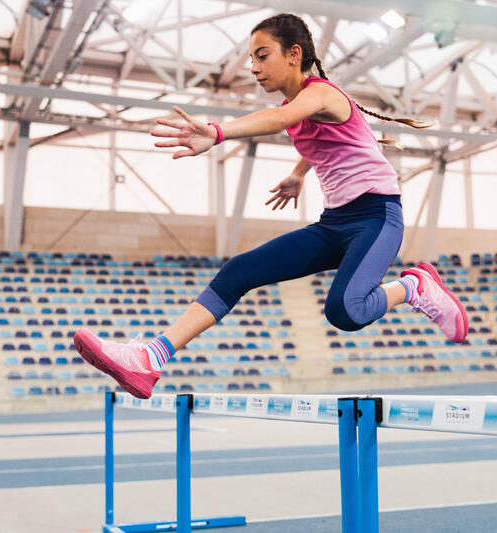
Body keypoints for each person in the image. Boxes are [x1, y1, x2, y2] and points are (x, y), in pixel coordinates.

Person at [75, 13, 469, 399]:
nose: (254, 68)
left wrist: (217, 131)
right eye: (251, 59)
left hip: (377, 218)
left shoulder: (321, 93)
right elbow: (322, 138)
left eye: (262, 56)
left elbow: (281, 118)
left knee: (345, 312)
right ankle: (151, 357)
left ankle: (415, 286)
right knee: (239, 270)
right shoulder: (307, 106)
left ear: (294, 54)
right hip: (336, 223)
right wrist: (299, 173)